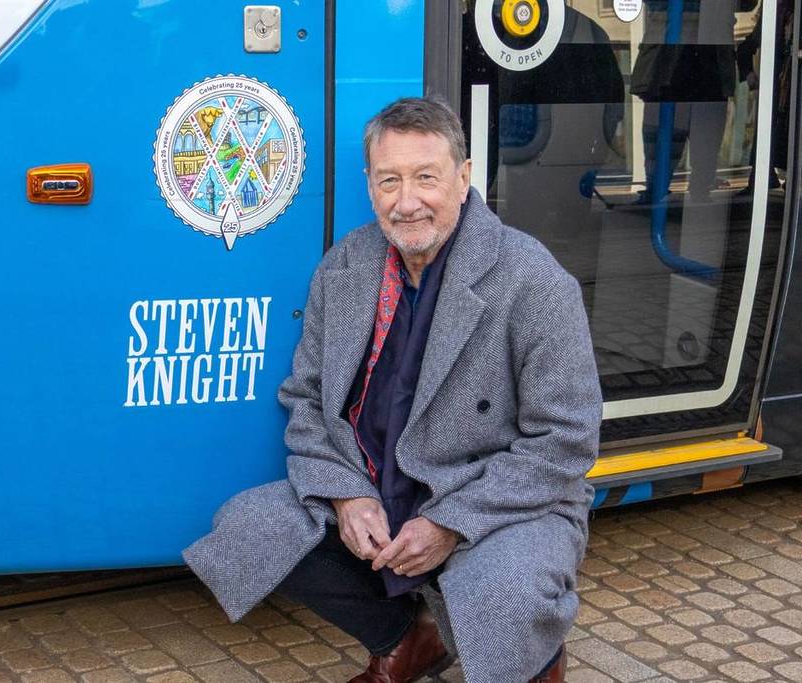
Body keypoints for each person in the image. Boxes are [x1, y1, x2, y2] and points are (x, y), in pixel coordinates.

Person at [184, 96, 602, 683]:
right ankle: (406, 641)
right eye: (389, 181)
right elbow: (306, 401)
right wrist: (346, 496)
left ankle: (537, 656)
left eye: (426, 178)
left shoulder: (531, 279)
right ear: (369, 184)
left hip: (497, 504)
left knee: (505, 595)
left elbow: (566, 443)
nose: (406, 202)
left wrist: (450, 521)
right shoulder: (347, 265)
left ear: (463, 177)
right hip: (378, 492)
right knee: (246, 527)